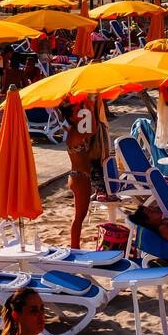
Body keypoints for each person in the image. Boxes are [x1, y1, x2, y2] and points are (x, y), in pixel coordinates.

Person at [63, 102, 95, 248]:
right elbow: (92, 129)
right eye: (77, 111)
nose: (81, 112)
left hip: (77, 176)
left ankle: (75, 246)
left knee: (79, 216)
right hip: (80, 178)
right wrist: (91, 104)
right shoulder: (76, 133)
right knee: (79, 217)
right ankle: (74, 247)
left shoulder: (73, 131)